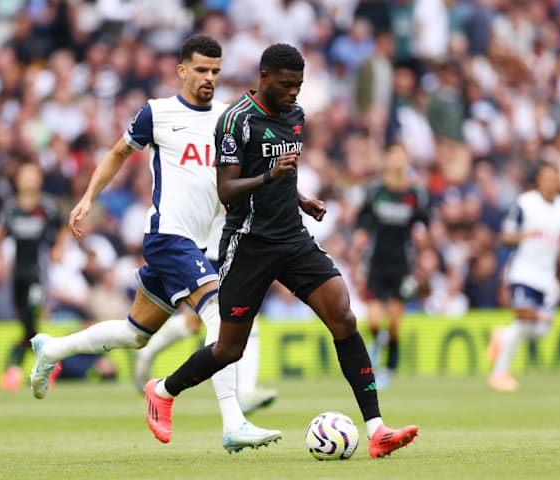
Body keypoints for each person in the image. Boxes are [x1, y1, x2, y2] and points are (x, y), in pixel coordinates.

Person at [143, 43, 418, 459]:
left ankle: (377, 428)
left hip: (292, 239)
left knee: (343, 316)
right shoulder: (236, 121)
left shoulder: (295, 115)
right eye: (287, 85)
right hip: (248, 244)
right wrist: (270, 177)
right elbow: (228, 190)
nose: (294, 92)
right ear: (265, 78)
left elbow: (285, 174)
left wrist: (301, 198)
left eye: (300, 85)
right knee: (228, 349)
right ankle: (163, 390)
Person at [28, 35, 281, 452]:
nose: (209, 78)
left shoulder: (226, 118)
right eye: (201, 70)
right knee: (221, 314)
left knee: (135, 333)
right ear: (182, 70)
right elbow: (116, 154)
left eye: (215, 71)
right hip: (167, 236)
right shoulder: (158, 113)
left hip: (197, 244)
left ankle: (51, 349)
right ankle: (233, 421)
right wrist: (89, 196)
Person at [134, 212, 278, 415]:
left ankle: (246, 392)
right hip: (208, 254)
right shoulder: (219, 180)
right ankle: (245, 393)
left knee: (207, 322)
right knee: (236, 320)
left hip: (231, 252)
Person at [487, 163, 560, 392]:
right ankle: (499, 374)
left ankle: (502, 336)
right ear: (538, 181)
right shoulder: (525, 203)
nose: (550, 183)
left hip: (547, 277)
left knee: (539, 331)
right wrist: (524, 235)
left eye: (554, 179)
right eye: (546, 178)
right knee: (524, 317)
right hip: (524, 271)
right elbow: (504, 236)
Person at [351, 144, 430, 389]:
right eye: (393, 155)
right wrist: (360, 237)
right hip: (376, 262)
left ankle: (389, 368)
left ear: (407, 160)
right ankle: (378, 343)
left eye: (401, 156)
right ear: (387, 159)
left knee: (394, 322)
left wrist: (422, 239)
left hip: (401, 264)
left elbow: (423, 223)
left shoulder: (416, 194)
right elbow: (363, 220)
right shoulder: (375, 190)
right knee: (374, 321)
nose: (397, 160)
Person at [0, 161, 66, 391]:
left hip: (38, 274)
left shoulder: (46, 207)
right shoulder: (10, 208)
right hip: (18, 274)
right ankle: (50, 362)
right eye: (25, 176)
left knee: (30, 318)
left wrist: (59, 247)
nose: (29, 180)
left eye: (33, 176)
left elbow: (63, 225)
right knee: (26, 323)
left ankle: (15, 369)